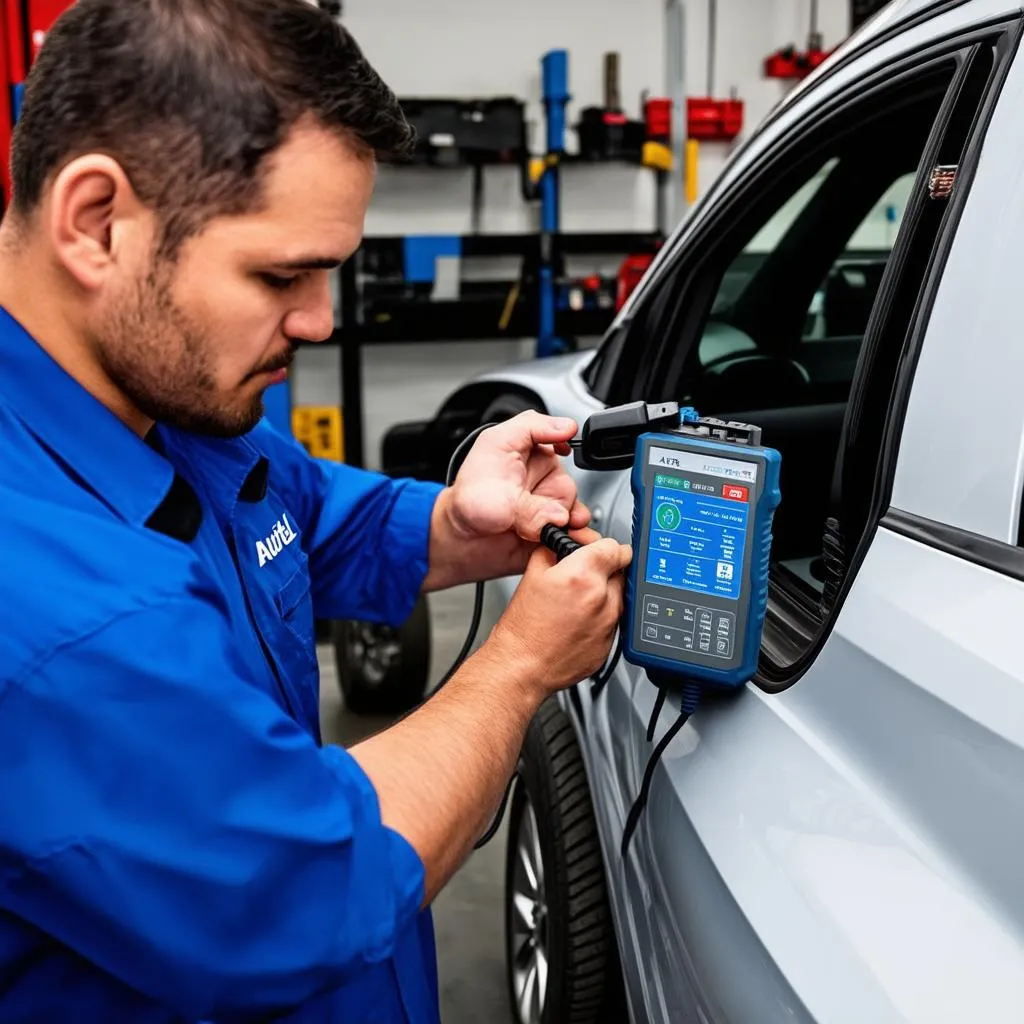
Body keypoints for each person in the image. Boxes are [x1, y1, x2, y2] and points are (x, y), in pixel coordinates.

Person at [0, 1, 631, 1022]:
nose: (318, 320)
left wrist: (456, 522)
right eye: (280, 273)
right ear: (96, 223)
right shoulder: (57, 612)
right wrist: (518, 667)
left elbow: (301, 511)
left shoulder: (171, 410)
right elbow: (312, 884)